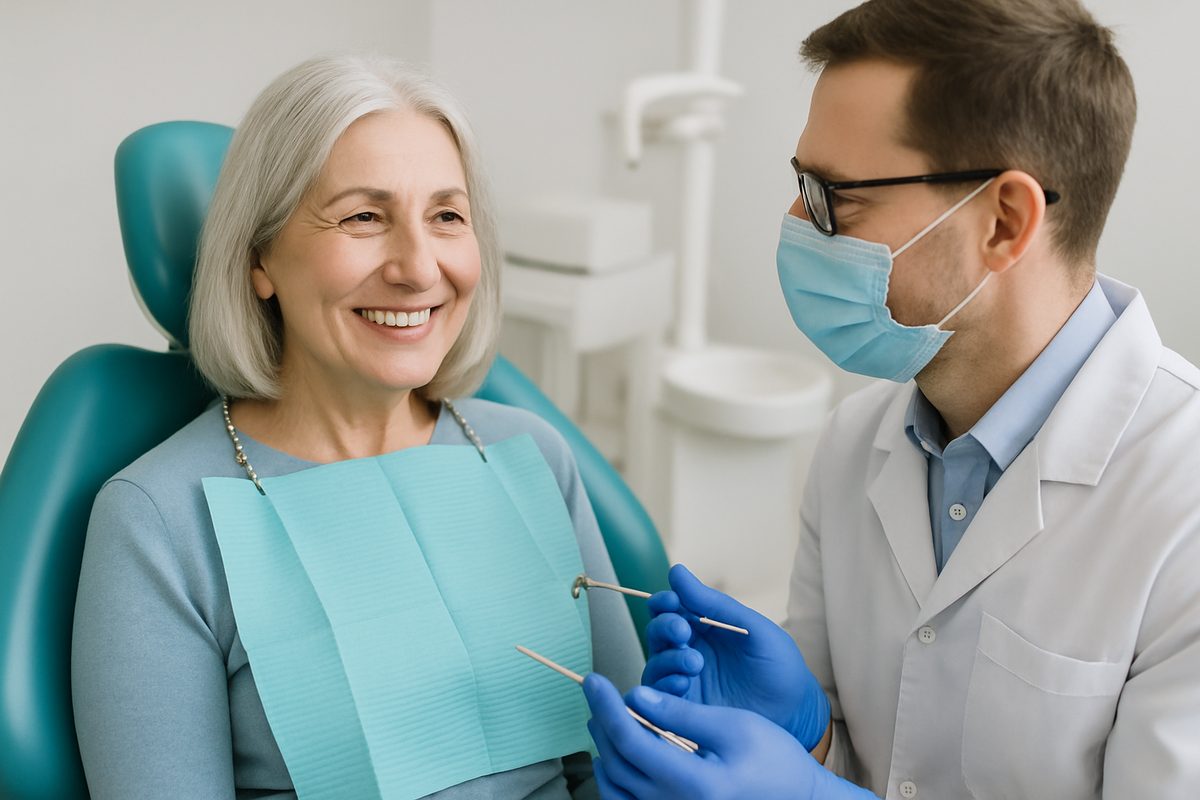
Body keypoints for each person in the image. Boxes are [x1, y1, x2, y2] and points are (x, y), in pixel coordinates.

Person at [584, 1, 1200, 798]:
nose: (797, 222)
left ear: (1005, 221)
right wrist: (810, 738)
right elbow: (882, 771)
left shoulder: (1182, 502)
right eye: (801, 184)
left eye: (835, 195)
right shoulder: (853, 442)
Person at [71, 54, 643, 800]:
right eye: (364, 217)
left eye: (446, 216)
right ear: (260, 259)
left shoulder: (527, 452)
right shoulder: (158, 521)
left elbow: (627, 769)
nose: (418, 266)